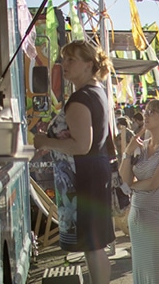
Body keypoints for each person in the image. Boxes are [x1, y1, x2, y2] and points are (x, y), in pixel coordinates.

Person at [33, 40, 117, 284]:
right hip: (92, 173)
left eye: (71, 59)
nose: (64, 64)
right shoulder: (97, 91)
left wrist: (43, 142)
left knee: (93, 245)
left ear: (89, 64)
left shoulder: (80, 98)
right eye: (63, 59)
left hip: (82, 177)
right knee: (94, 244)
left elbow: (81, 145)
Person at [119, 98, 159, 284]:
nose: (146, 115)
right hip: (138, 212)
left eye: (152, 112)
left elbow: (155, 183)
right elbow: (124, 178)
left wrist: (129, 187)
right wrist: (128, 152)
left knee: (158, 272)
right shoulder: (142, 145)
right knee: (142, 270)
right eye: (146, 111)